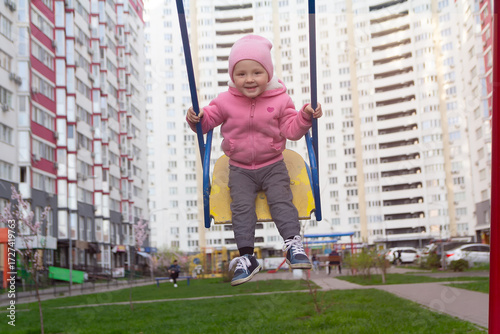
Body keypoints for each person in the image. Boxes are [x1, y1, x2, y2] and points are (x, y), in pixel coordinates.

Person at [186, 35, 322, 286]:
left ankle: (293, 245)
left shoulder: (281, 99)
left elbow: (292, 130)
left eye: (257, 72)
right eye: (241, 74)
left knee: (281, 200)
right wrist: (196, 118)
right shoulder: (225, 100)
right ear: (232, 76)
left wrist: (305, 116)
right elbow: (205, 124)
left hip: (272, 164)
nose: (249, 79)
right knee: (241, 208)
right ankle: (247, 257)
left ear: (268, 73)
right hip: (239, 168)